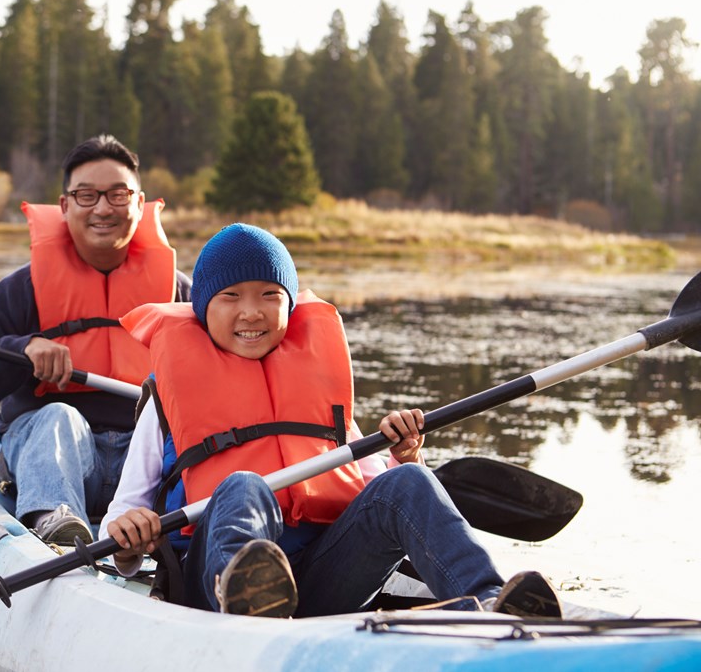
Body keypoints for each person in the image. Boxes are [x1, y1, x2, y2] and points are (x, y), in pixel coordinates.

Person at [101, 223, 562, 619]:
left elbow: (385, 502)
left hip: (322, 580)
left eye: (270, 295)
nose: (251, 311)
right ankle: (247, 597)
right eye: (230, 296)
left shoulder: (317, 391)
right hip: (214, 586)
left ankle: (486, 603)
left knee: (405, 484)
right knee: (245, 484)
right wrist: (127, 538)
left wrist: (408, 457)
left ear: (290, 304)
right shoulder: (168, 397)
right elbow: (118, 519)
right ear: (202, 308)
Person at [0, 134, 191, 546]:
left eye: (118, 195)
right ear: (65, 205)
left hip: (143, 461)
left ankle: (177, 544)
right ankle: (56, 526)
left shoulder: (181, 296)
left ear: (138, 202)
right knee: (59, 416)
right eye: (86, 195)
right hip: (58, 456)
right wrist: (21, 349)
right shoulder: (21, 290)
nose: (102, 208)